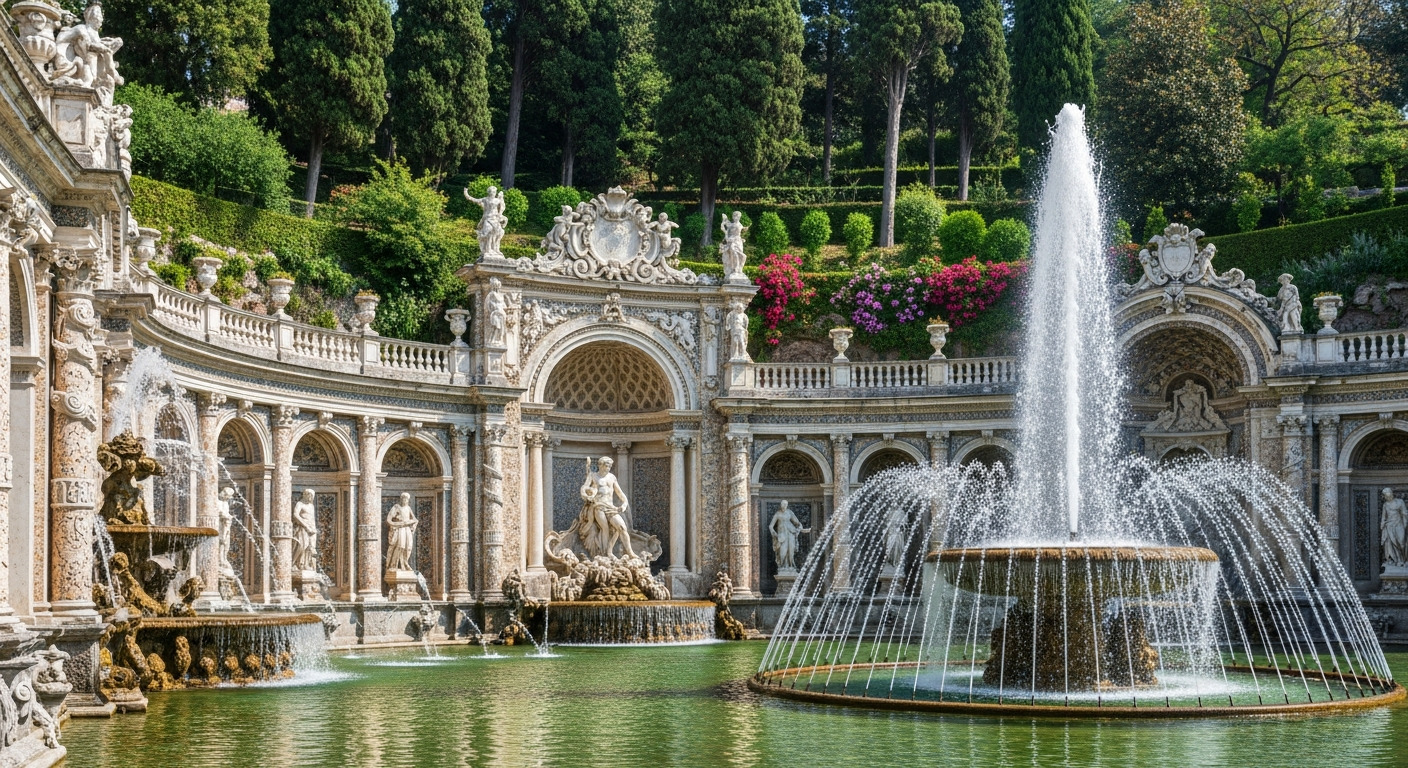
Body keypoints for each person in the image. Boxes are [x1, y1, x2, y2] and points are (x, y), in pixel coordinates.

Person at [768, 500, 809, 572]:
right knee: (783, 551)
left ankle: (791, 566)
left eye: (785, 504)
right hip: (782, 535)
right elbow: (771, 526)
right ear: (780, 505)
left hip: (791, 533)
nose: (783, 505)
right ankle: (782, 566)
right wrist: (774, 533)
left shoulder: (790, 512)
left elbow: (797, 522)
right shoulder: (777, 514)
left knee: (791, 550)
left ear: (787, 505)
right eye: (782, 504)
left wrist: (801, 528)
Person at [385, 492, 418, 572]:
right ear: (401, 499)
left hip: (407, 529)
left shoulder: (408, 508)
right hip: (400, 529)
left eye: (407, 499)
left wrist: (412, 523)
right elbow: (388, 520)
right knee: (400, 546)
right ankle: (393, 565)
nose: (405, 500)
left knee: (408, 547)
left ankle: (405, 563)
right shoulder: (396, 507)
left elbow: (415, 519)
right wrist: (398, 524)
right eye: (404, 498)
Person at [292, 489, 317, 572]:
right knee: (302, 545)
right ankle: (293, 563)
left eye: (312, 496)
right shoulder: (300, 504)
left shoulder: (311, 506)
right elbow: (295, 515)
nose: (311, 498)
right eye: (310, 496)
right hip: (302, 527)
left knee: (310, 547)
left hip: (312, 528)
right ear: (305, 495)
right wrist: (305, 525)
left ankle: (305, 564)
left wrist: (313, 529)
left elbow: (312, 518)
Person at [1382, 487, 1408, 570]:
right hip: (1389, 525)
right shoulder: (1385, 505)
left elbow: (1404, 514)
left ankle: (1405, 560)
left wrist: (1404, 525)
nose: (1388, 497)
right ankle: (1398, 560)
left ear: (1392, 494)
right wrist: (1382, 525)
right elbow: (1383, 517)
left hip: (1399, 524)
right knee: (1392, 544)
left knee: (1402, 543)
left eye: (1389, 495)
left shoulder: (1400, 502)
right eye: (1386, 496)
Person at [719, 211, 747, 279]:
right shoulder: (731, 224)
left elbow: (738, 234)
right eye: (734, 215)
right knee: (733, 254)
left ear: (739, 217)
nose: (734, 217)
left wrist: (741, 239)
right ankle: (734, 269)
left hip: (738, 242)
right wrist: (727, 237)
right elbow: (725, 230)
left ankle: (739, 270)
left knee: (741, 255)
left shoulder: (740, 225)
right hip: (731, 242)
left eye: (736, 216)